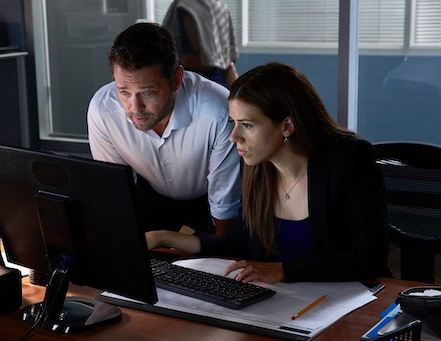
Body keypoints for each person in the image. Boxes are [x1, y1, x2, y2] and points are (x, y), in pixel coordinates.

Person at [146, 62, 391, 284]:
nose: (234, 137)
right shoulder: (258, 167)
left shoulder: (349, 160)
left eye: (247, 125)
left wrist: (284, 271)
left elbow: (369, 259)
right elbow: (239, 244)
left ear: (287, 125)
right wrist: (163, 237)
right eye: (234, 123)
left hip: (349, 302)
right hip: (282, 303)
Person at [87, 22, 241, 235]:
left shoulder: (218, 110)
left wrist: (218, 256)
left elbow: (225, 202)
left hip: (207, 203)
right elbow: (116, 193)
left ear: (177, 79)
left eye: (148, 93)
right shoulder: (103, 110)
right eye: (123, 91)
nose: (135, 107)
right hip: (148, 195)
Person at [162, 0, 239, 88]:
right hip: (221, 81)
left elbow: (201, 60)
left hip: (199, 85)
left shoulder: (191, 3)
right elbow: (226, 61)